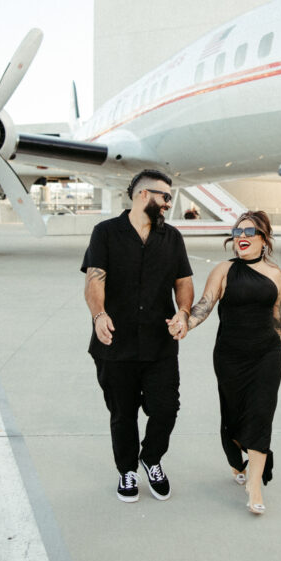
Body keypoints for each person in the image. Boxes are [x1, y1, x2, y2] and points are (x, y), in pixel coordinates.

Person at [81, 169, 194, 503]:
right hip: (114, 343)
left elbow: (183, 282)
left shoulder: (172, 237)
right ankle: (127, 470)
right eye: (165, 197)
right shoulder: (105, 233)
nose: (168, 204)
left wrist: (183, 313)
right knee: (123, 413)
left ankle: (152, 458)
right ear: (143, 195)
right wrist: (99, 314)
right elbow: (94, 280)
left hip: (160, 343)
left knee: (166, 409)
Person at [174, 210, 281, 515]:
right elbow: (205, 304)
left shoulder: (275, 273)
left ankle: (255, 487)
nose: (242, 238)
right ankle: (236, 458)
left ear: (264, 239)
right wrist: (186, 322)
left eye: (249, 233)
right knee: (235, 419)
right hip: (230, 356)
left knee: (260, 415)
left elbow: (277, 309)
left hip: (267, 354)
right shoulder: (224, 270)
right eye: (238, 232)